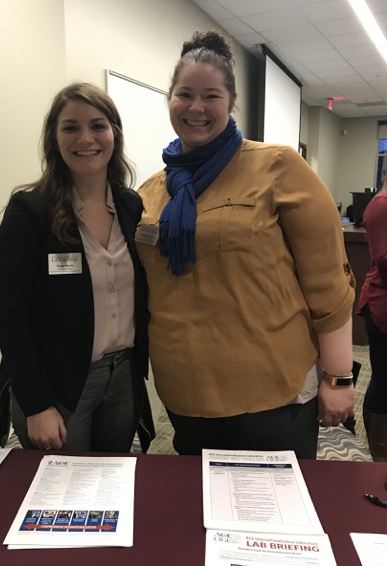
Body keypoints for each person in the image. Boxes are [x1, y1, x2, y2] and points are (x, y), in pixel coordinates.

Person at [135, 30, 355, 458]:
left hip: (273, 393)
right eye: (185, 94)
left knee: (274, 519)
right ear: (170, 100)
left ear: (231, 101)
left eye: (211, 96)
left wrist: (339, 378)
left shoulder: (277, 167)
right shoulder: (149, 193)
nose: (196, 107)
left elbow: (329, 286)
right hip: (185, 394)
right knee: (197, 513)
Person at [0, 82, 154, 452]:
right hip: (57, 385)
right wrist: (36, 404)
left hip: (122, 378)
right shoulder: (30, 212)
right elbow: (7, 314)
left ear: (114, 133)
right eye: (71, 127)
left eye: (98, 125)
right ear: (54, 138)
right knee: (59, 498)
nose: (86, 138)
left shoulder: (131, 206)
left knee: (110, 486)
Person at [357, 169, 387, 461]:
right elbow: (384, 259)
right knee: (383, 378)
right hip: (382, 306)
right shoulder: (382, 203)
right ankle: (378, 454)